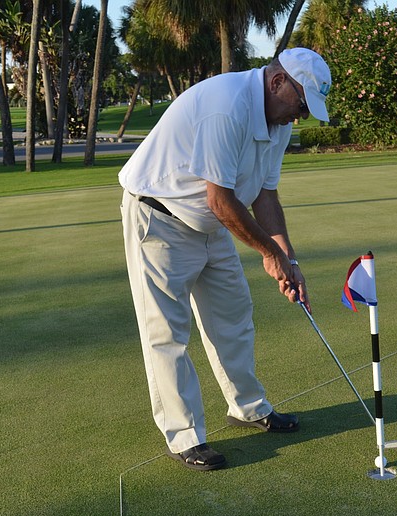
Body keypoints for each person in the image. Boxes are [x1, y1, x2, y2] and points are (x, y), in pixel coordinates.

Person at [118, 47, 332, 471]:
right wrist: (268, 253)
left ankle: (248, 408)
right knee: (167, 333)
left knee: (234, 315)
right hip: (159, 215)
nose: (302, 115)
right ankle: (185, 436)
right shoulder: (227, 105)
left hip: (210, 222)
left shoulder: (278, 122)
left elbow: (265, 195)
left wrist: (288, 259)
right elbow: (220, 199)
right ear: (277, 82)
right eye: (302, 103)